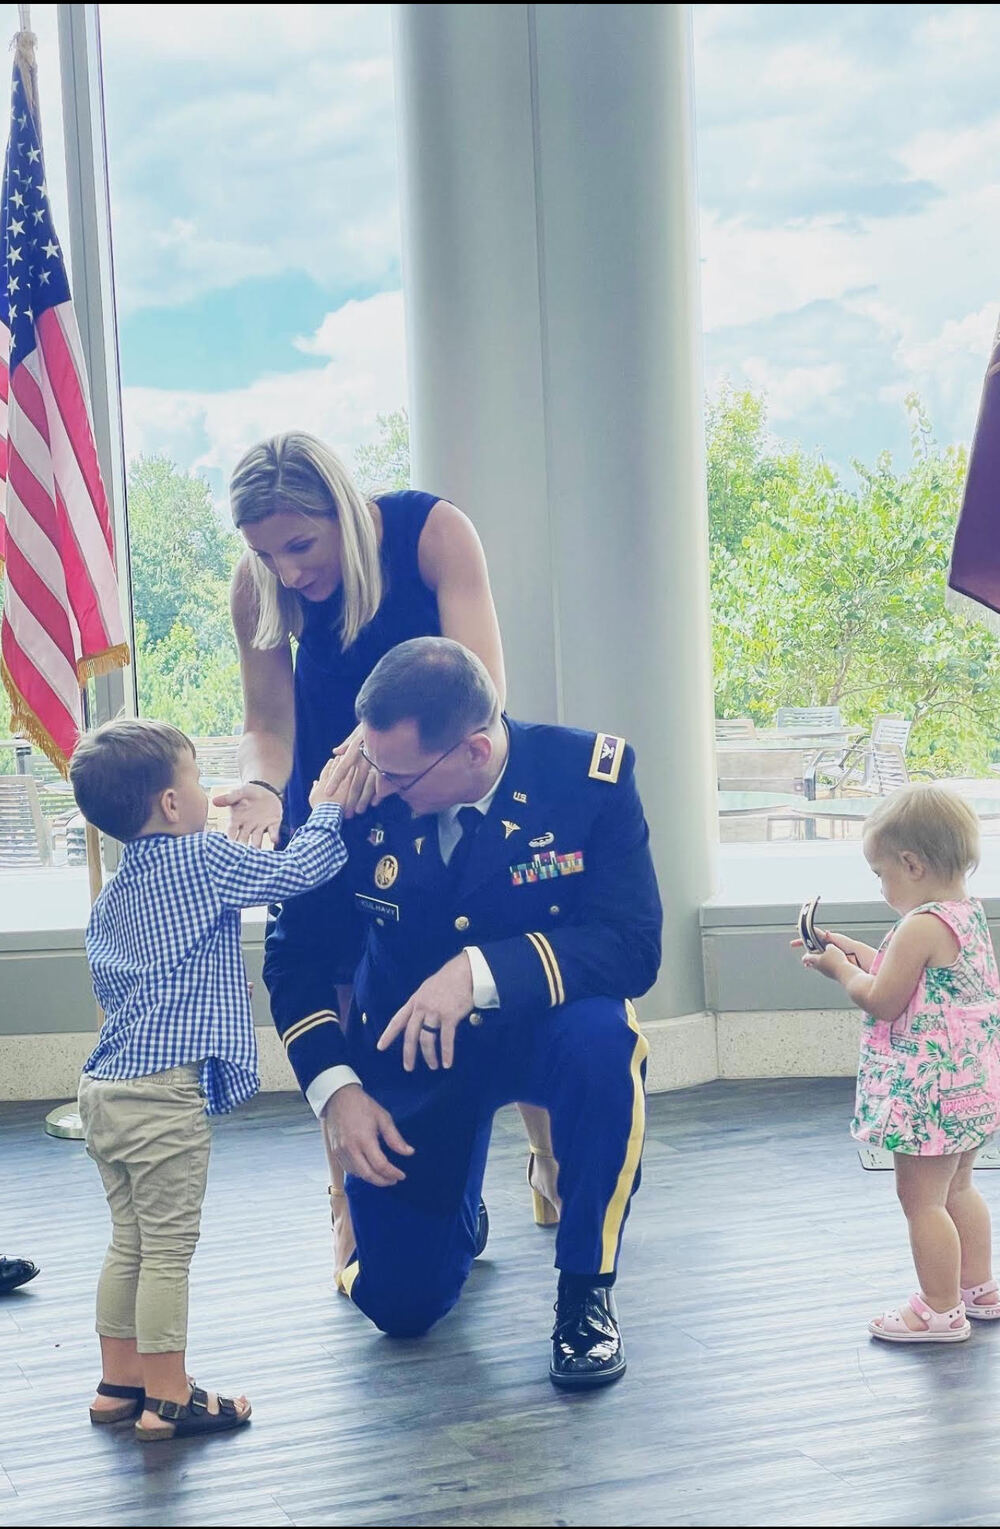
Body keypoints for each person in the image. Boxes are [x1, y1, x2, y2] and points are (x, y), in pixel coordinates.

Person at [264, 637, 662, 1387]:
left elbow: (631, 946)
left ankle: (585, 1293)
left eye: (396, 771)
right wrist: (336, 1091)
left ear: (476, 751)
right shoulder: (352, 794)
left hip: (542, 1029)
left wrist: (476, 972)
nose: (374, 783)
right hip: (409, 1047)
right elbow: (295, 959)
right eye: (370, 760)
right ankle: (456, 1218)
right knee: (400, 1308)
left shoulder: (589, 778)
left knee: (606, 1041)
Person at [215, 432, 561, 1268]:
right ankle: (346, 1198)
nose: (289, 572)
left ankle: (550, 1160)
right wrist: (263, 789)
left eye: (301, 544)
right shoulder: (259, 583)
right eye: (266, 552)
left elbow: (483, 691)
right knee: (332, 986)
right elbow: (268, 724)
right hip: (330, 806)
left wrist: (381, 750)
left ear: (342, 506)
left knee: (491, 976)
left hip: (433, 782)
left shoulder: (434, 533)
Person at [69, 718, 351, 1439]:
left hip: (104, 1089)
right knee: (167, 1249)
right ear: (170, 802)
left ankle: (118, 1382)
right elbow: (297, 873)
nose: (207, 793)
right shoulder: (201, 861)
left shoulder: (111, 898)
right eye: (196, 778)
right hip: (163, 1096)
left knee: (128, 1240)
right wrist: (324, 808)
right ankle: (169, 1397)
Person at [799, 783, 1000, 1344]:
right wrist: (848, 951)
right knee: (960, 1188)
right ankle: (978, 1289)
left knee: (921, 1202)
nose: (882, 884)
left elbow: (884, 998)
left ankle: (937, 1311)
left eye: (881, 872)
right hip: (969, 1089)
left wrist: (843, 972)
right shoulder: (964, 916)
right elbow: (911, 978)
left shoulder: (918, 924)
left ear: (910, 863)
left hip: (927, 1098)